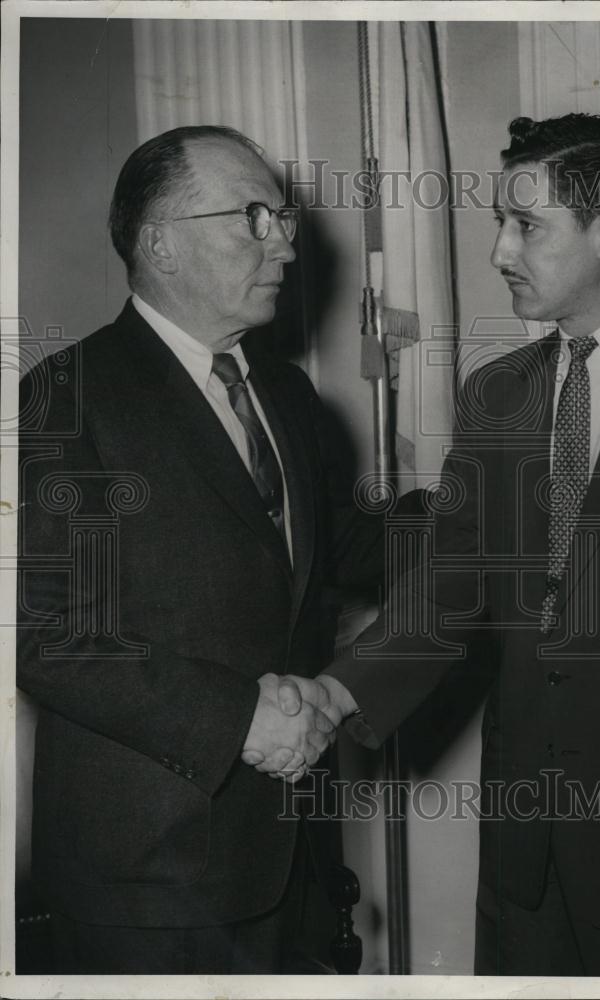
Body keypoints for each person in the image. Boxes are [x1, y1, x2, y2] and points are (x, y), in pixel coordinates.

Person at [279, 114, 600, 976]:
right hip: (528, 856)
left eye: (528, 226)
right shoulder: (498, 392)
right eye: (498, 224)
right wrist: (335, 692)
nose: (502, 251)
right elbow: (454, 579)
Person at [16, 124, 382, 974]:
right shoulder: (67, 398)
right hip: (150, 882)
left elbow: (337, 547)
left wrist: (494, 507)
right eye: (252, 217)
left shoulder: (285, 394)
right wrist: (239, 718)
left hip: (292, 858)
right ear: (160, 246)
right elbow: (43, 632)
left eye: (282, 216)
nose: (285, 241)